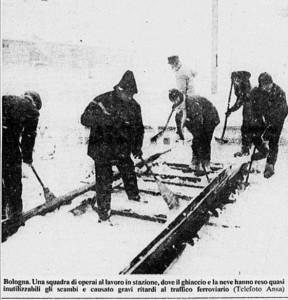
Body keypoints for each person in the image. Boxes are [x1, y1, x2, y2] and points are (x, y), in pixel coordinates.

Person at [81, 70, 144, 222]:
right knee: (103, 178)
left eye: (132, 95)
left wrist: (136, 147)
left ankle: (134, 198)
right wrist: (104, 120)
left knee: (128, 169)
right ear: (119, 89)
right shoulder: (102, 100)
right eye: (128, 94)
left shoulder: (134, 106)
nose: (130, 98)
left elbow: (138, 129)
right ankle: (104, 210)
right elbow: (84, 119)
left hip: (121, 148)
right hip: (101, 147)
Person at [2, 91, 42, 221]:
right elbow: (28, 137)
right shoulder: (32, 110)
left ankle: (2, 213)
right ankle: (15, 217)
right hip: (8, 146)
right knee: (13, 180)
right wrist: (27, 157)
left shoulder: (6, 98)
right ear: (35, 103)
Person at [169, 89, 220, 175]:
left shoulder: (192, 104)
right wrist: (180, 134)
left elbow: (199, 124)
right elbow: (178, 120)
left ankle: (205, 166)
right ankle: (194, 164)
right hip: (195, 119)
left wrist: (196, 137)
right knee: (195, 142)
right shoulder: (178, 106)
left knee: (204, 141)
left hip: (210, 117)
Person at [250, 72, 288, 178]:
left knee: (273, 140)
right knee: (253, 134)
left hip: (277, 121)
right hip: (264, 118)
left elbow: (283, 111)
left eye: (268, 85)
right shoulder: (257, 92)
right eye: (263, 86)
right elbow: (253, 107)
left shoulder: (279, 93)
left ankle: (270, 166)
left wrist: (271, 125)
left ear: (271, 83)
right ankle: (263, 151)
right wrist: (257, 119)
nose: (266, 88)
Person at [226, 71, 253, 157]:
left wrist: (231, 110)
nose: (234, 82)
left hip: (251, 107)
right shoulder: (239, 85)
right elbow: (239, 99)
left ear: (238, 78)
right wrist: (231, 110)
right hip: (247, 107)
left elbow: (240, 101)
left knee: (246, 128)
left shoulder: (244, 85)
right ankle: (247, 148)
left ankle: (246, 149)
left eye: (235, 80)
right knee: (247, 128)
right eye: (233, 80)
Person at [168, 55, 197, 131]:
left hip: (187, 98)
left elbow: (182, 92)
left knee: (179, 116)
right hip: (192, 95)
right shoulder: (185, 67)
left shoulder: (181, 73)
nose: (171, 66)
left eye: (171, 64)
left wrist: (176, 104)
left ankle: (179, 134)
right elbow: (195, 73)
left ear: (175, 63)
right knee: (186, 116)